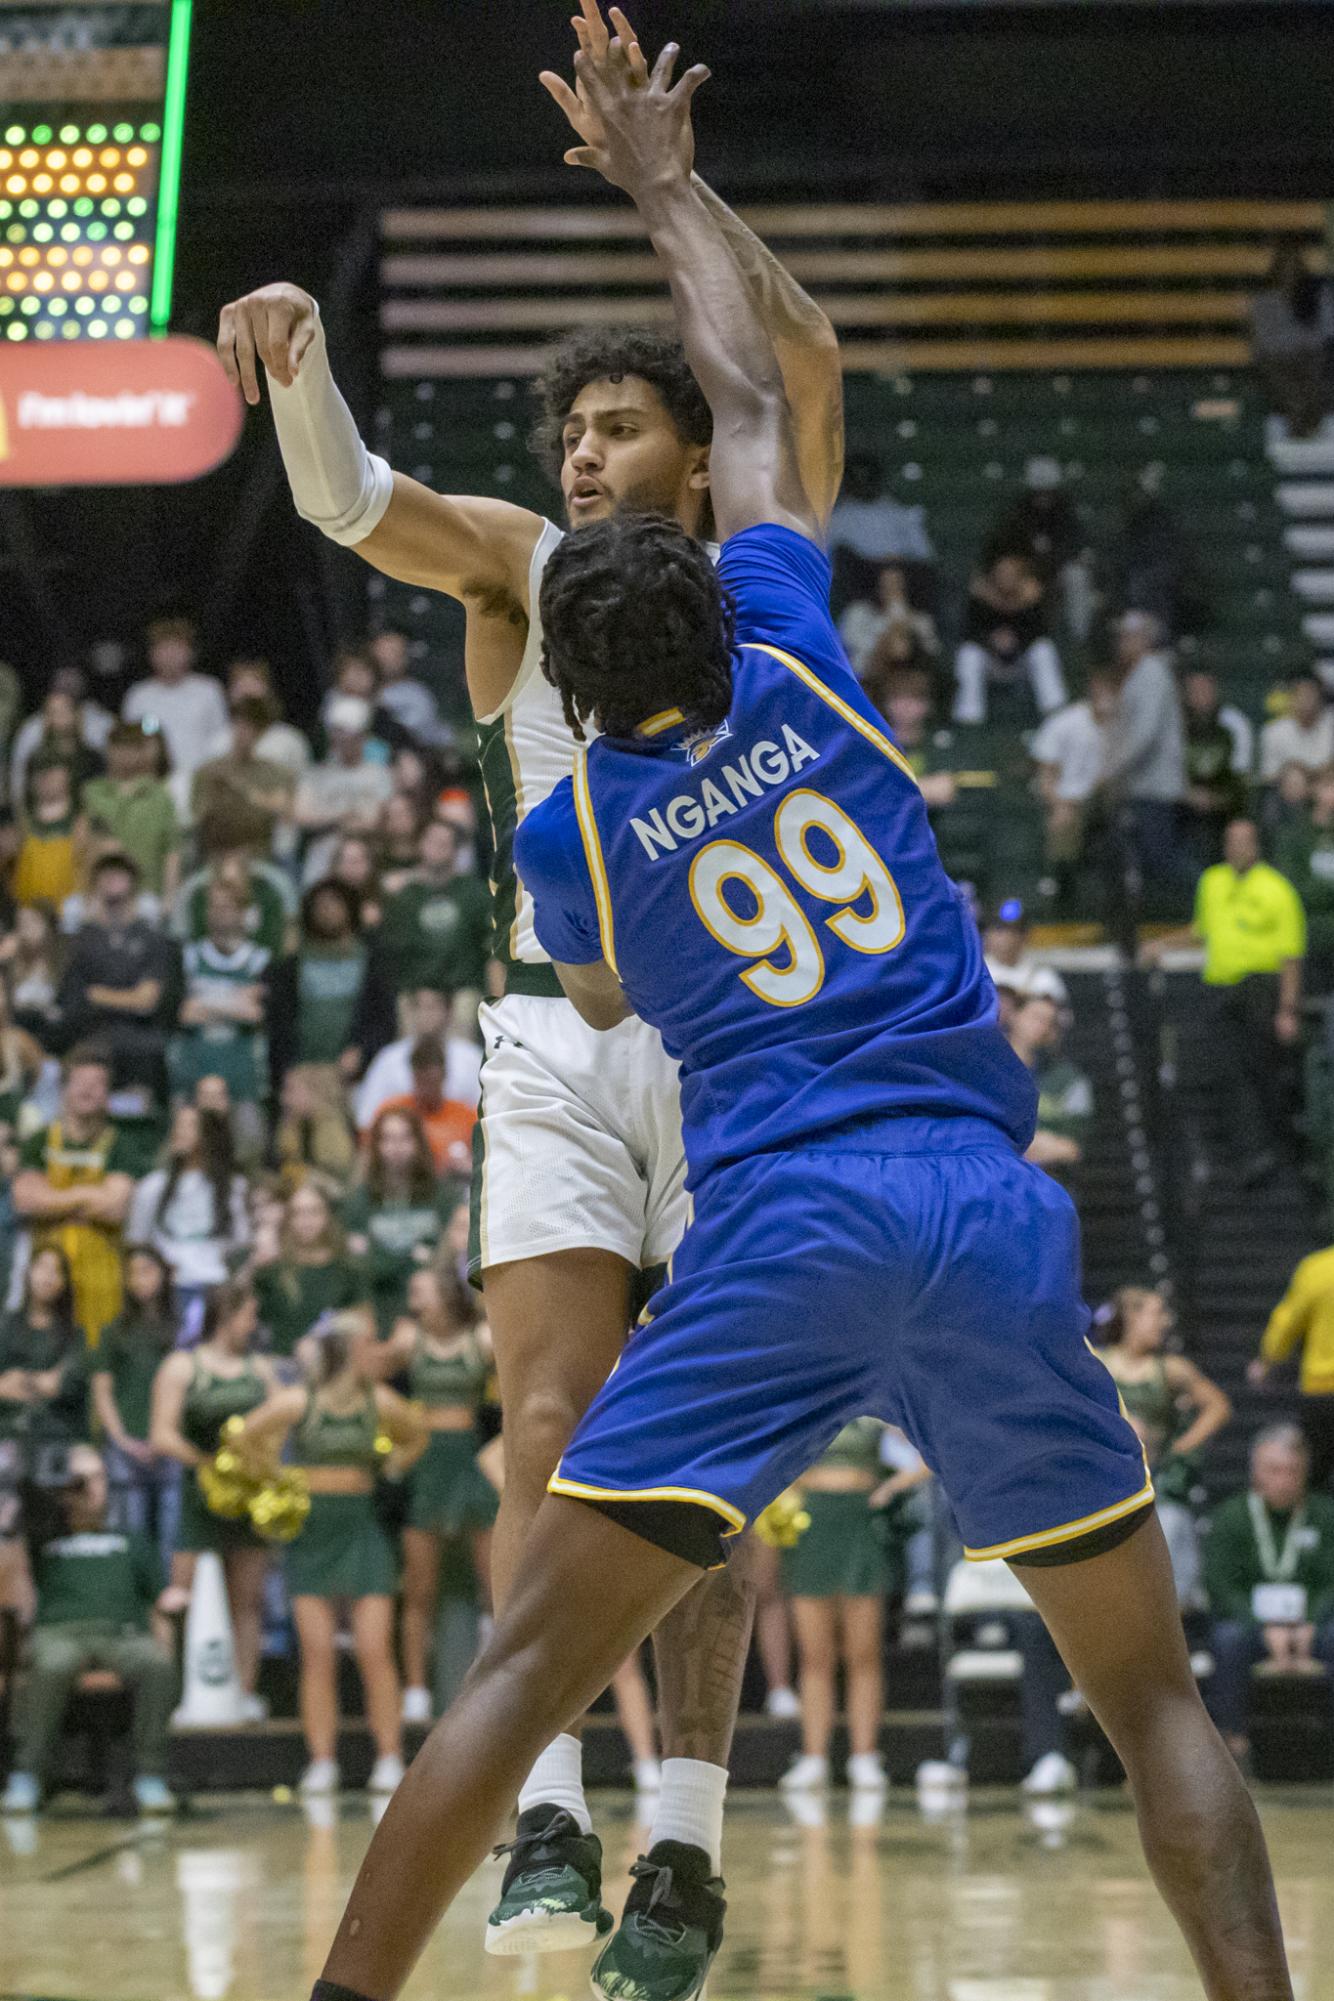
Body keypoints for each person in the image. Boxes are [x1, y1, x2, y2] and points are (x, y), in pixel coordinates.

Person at [294, 26, 1293, 2001]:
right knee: (1154, 1694)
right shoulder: (811, 661)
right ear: (723, 597)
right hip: (989, 1207)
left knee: (515, 1669)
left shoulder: (581, 833)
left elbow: (588, 983)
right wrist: (666, 180)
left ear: (567, 656)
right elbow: (753, 387)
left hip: (787, 1221)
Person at [218, 8, 846, 1953]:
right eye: (569, 431)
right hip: (563, 1048)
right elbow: (349, 508)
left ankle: (681, 1832)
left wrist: (678, 188)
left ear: (687, 447)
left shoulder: (759, 566)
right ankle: (550, 1816)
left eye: (618, 427)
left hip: (737, 1053)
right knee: (546, 1426)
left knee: (708, 1475)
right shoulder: (511, 565)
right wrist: (302, 378)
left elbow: (803, 363)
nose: (580, 454)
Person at [236, 1312, 427, 1796]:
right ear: (344, 1351)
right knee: (317, 1654)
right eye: (369, 1344)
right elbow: (241, 1437)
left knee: (374, 1650)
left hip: (362, 1530)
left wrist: (392, 1465)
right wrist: (276, 1478)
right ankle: (321, 1761)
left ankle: (389, 1758)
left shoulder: (379, 1401)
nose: (378, 1352)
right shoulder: (301, 1401)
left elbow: (417, 1435)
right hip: (312, 1534)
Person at [0, 1443, 183, 1817]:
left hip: (122, 1632)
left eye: (98, 1477)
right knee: (52, 1665)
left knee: (155, 1665)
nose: (90, 1487)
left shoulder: (131, 1540)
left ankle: (150, 1776)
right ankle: (28, 1776)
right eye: (79, 1479)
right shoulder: (42, 1535)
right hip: (59, 1632)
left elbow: (160, 1595)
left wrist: (173, 1603)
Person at [1143, 817, 1306, 1184]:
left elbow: (1291, 955)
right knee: (1229, 1069)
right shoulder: (1212, 882)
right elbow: (1201, 931)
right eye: (1231, 841)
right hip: (1220, 986)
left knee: (1259, 1069)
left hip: (1261, 986)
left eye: (1244, 841)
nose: (1237, 849)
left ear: (1257, 846)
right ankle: (1252, 1153)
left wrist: (1287, 1008)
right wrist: (1161, 945)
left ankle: (1271, 1149)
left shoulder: (1276, 889)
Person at [371, 1263, 497, 1725]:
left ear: (447, 1294)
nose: (413, 1299)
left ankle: (495, 1671)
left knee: (492, 1580)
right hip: (425, 1465)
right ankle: (417, 1689)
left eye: (420, 1290)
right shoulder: (409, 1340)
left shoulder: (481, 1339)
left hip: (469, 1460)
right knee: (420, 1587)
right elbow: (363, 1371)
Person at [150, 1278, 276, 1715]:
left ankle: (243, 1692)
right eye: (249, 1315)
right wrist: (207, 1464)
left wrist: (254, 1462)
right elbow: (161, 1434)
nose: (254, 1324)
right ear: (226, 1316)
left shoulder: (259, 1369)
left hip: (249, 1496)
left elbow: (280, 1423)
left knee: (248, 1599)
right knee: (181, 1596)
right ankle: (172, 1692)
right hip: (198, 1496)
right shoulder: (183, 1367)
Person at [1093, 1286, 1232, 1604]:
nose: (1166, 1321)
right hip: (1105, 1481)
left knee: (1166, 1543)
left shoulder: (1170, 1369)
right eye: (1157, 1313)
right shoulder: (1096, 1363)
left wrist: (1182, 1447)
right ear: (1131, 1316)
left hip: (1155, 1481)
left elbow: (1218, 1406)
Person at [1204, 1425, 1334, 1762]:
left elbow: (1330, 1582)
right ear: (1256, 1472)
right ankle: (1233, 1741)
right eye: (1274, 1470)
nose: (1284, 1480)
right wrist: (1260, 1625)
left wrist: (1312, 1622)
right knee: (1227, 1638)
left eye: (1293, 1471)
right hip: (1252, 1626)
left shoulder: (1324, 1514)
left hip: (1311, 1626)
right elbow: (1220, 1584)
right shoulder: (1232, 1516)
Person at [778, 1420, 893, 1797]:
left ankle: (865, 1756)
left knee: (863, 1652)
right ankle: (814, 1757)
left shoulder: (879, 1387)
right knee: (814, 1654)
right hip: (813, 1518)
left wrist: (894, 1486)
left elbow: (932, 1436)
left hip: (861, 1519)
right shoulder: (804, 1385)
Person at [12, 1044, 135, 1343]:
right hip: (48, 1277)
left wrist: (54, 1199)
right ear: (64, 1088)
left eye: (98, 1084)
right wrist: (89, 1196)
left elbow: (115, 1206)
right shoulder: (40, 1140)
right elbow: (25, 1199)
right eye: (81, 1082)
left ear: (108, 1093)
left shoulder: (121, 1143)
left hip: (103, 1278)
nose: (88, 1091)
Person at [55, 851, 182, 1101]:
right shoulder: (83, 940)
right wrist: (126, 998)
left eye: (120, 871)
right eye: (106, 871)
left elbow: (147, 1001)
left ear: (134, 881)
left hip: (140, 1045)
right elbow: (74, 998)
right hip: (92, 1041)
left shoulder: (151, 938)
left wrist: (98, 994)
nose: (113, 877)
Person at [91, 1245, 184, 1567]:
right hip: (127, 1445)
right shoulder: (115, 1331)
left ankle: (173, 1607)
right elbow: (102, 1390)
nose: (140, 1280)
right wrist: (121, 1438)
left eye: (147, 1270)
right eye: (132, 1273)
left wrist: (167, 1438)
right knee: (130, 1537)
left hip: (173, 1445)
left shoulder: (182, 1331)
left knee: (174, 1538)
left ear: (163, 1273)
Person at [172, 879, 272, 1156]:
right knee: (185, 1152)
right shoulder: (188, 957)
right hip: (194, 1071)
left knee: (248, 1153)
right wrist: (235, 1001)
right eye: (214, 907)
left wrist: (205, 1001)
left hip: (243, 1078)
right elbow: (184, 1014)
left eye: (228, 906)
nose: (220, 913)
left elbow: (256, 1015)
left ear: (244, 912)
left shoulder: (260, 960)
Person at [127, 1105, 251, 1325]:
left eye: (191, 1125)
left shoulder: (232, 1187)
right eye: (178, 1125)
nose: (181, 1131)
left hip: (214, 1285)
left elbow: (242, 1241)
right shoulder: (152, 1188)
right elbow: (138, 1241)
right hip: (168, 1290)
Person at [268, 880, 394, 1092]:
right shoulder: (292, 966)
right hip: (303, 1074)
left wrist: (363, 1051)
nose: (327, 910)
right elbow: (280, 1022)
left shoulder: (371, 961)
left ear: (349, 908)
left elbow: (383, 1018)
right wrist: (287, 1068)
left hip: (356, 1076)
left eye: (335, 902)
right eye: (320, 904)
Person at [343, 1107, 456, 1334]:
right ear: (376, 1146)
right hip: (373, 1302)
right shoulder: (361, 1199)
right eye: (388, 1139)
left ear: (418, 1143)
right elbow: (359, 1264)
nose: (396, 1147)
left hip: (428, 1305)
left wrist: (377, 1251)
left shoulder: (441, 1196)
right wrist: (413, 1254)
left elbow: (446, 1258)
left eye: (405, 1138)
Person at [377, 818, 492, 1000]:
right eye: (430, 841)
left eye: (443, 843)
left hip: (464, 988)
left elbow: (488, 948)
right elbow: (394, 951)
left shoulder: (475, 895)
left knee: (466, 1004)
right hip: (413, 990)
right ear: (420, 845)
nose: (436, 848)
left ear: (456, 850)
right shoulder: (405, 897)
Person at [1250, 1247, 1334, 1492]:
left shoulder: (1318, 1268)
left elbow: (1286, 1323)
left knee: (1314, 1476)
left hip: (1322, 1390)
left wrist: (1267, 1360)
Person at [251, 1184, 364, 1362]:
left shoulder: (347, 1269)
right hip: (281, 1365)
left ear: (328, 1216)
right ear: (288, 1219)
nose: (307, 1220)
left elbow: (358, 1321)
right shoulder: (272, 1270)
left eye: (314, 1212)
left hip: (332, 1367)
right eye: (298, 1213)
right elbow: (252, 1323)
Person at [952, 551, 1066, 726]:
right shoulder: (980, 600)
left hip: (1021, 662)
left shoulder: (1032, 601)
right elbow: (968, 634)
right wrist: (991, 642)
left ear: (1021, 578)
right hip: (991, 663)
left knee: (1043, 650)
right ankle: (969, 721)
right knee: (969, 654)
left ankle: (1056, 716)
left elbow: (1041, 632)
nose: (1006, 578)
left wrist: (1017, 637)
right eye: (1001, 573)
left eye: (1011, 574)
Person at [0, 1245, 90, 1464]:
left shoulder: (74, 1335)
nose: (47, 1277)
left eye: (56, 1270)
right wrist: (38, 1382)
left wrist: (20, 1381)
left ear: (64, 1283)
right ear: (27, 1272)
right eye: (42, 1267)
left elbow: (59, 1385)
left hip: (55, 1436)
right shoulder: (6, 1325)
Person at [354, 987, 482, 1135]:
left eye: (432, 1007)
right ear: (410, 1012)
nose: (426, 1015)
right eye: (419, 1007)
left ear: (449, 1012)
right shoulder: (388, 1059)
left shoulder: (472, 1058)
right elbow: (366, 1120)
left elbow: (490, 1117)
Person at [81, 720, 181, 904]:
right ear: (109, 750)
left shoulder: (160, 798)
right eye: (118, 746)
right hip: (99, 896)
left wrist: (169, 898)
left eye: (131, 747)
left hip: (146, 896)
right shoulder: (91, 793)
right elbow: (81, 844)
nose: (124, 754)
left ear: (142, 752)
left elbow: (172, 852)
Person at [122, 616, 229, 785]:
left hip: (200, 780)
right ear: (152, 654)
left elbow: (222, 738)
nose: (171, 655)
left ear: (190, 652)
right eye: (164, 648)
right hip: (153, 783)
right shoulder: (139, 696)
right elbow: (130, 744)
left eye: (177, 647)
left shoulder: (209, 690)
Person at [1004, 991, 1094, 1189]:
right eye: (1036, 1018)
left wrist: (1013, 1146)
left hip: (1050, 1186)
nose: (1043, 1028)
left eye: (1051, 1023)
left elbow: (1072, 1149)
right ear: (1014, 1017)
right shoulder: (987, 1073)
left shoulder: (1070, 1080)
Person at [1250, 239, 1334, 440]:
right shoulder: (1264, 300)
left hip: (1311, 356)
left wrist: (1304, 346)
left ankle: (1308, 424)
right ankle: (1301, 425)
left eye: (1294, 266)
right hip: (1279, 360)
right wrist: (1293, 347)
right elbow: (1265, 341)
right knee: (1285, 378)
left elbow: (1328, 330)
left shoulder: (1316, 294)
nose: (1290, 273)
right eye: (1285, 267)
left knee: (1317, 372)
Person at [373, 1039, 475, 1183]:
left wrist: (469, 1167)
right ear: (413, 1076)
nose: (427, 1090)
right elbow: (368, 1159)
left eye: (432, 1082)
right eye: (421, 1082)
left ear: (444, 1076)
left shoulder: (467, 1117)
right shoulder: (393, 1113)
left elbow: (484, 1165)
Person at [1181, 669, 1253, 869]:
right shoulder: (1177, 725)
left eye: (1205, 689)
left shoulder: (1234, 724)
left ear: (1216, 690)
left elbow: (1242, 778)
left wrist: (1214, 799)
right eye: (1194, 690)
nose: (1200, 695)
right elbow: (1167, 773)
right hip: (1183, 804)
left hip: (1225, 806)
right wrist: (1187, 794)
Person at [1276, 763, 1334, 994]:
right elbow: (1293, 891)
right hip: (1308, 935)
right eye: (1329, 785)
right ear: (1313, 789)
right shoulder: (1294, 836)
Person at [836, 561, 938, 678]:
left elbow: (931, 650)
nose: (891, 589)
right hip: (863, 677)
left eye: (896, 584)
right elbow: (850, 642)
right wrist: (888, 630)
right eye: (886, 584)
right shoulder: (858, 612)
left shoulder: (921, 620)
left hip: (907, 680)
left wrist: (903, 618)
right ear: (877, 586)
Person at [13, 757, 85, 911]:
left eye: (52, 772)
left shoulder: (81, 819)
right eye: (39, 773)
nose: (46, 779)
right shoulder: (22, 820)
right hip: (30, 910)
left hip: (70, 909)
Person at [1259, 671, 1334, 788]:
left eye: (1310, 694)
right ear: (1290, 697)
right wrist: (1292, 772)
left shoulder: (1331, 723)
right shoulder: (1273, 731)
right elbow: (1268, 777)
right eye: (1300, 694)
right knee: (1294, 777)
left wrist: (1306, 773)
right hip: (1287, 794)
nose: (1306, 700)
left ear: (1320, 696)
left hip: (1326, 791)